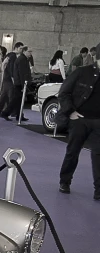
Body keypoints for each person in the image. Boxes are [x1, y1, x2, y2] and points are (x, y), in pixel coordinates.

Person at [56, 42, 100, 199]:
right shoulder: (82, 72)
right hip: (80, 119)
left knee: (98, 155)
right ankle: (65, 181)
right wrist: (70, 111)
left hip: (98, 122)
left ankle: (99, 191)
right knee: (73, 151)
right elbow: (64, 92)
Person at [0, 42, 24, 119]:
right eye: (20, 48)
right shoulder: (12, 55)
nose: (21, 50)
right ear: (16, 48)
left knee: (4, 95)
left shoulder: (10, 55)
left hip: (6, 77)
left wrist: (3, 72)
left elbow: (4, 63)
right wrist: (12, 78)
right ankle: (10, 113)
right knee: (11, 96)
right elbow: (7, 65)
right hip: (9, 78)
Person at [10, 46, 33, 122]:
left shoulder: (24, 59)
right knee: (17, 100)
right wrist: (24, 86)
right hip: (20, 84)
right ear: (24, 51)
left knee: (18, 100)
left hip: (20, 83)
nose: (30, 53)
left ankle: (19, 115)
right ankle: (6, 112)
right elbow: (22, 73)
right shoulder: (22, 60)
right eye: (29, 51)